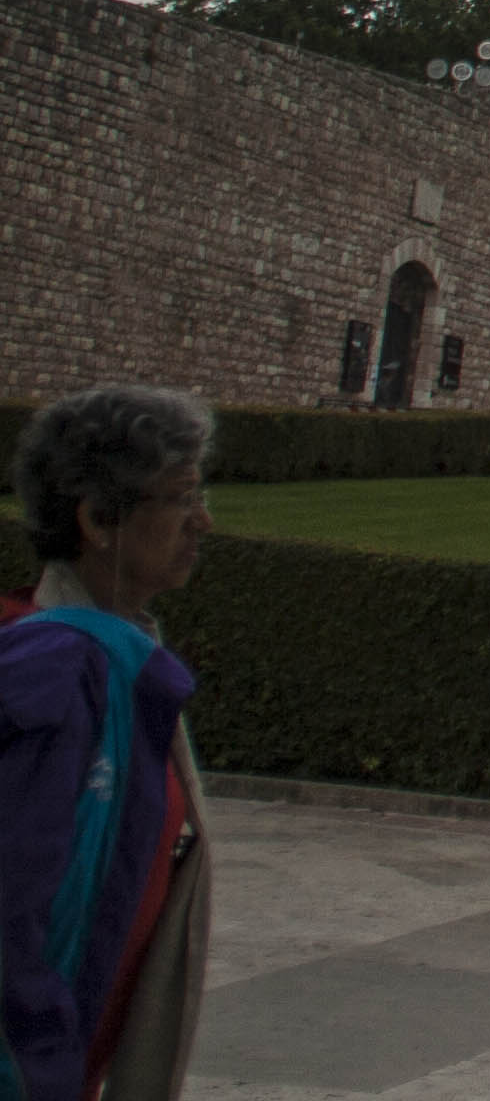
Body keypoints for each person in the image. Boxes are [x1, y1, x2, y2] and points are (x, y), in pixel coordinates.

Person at [4, 386, 218, 1101]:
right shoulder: (57, 674)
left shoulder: (111, 663)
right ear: (99, 520)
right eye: (181, 498)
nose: (203, 521)